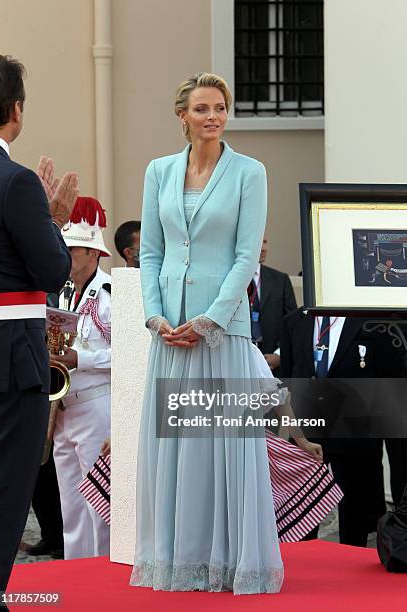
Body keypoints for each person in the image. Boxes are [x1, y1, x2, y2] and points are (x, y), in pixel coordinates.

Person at [129, 72, 329, 595]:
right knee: (178, 448)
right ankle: (179, 560)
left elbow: (247, 258)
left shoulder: (250, 172)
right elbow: (150, 253)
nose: (213, 116)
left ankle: (231, 562)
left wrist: (210, 320)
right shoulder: (158, 172)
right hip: (168, 331)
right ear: (183, 117)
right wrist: (156, 317)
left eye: (220, 107)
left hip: (222, 332)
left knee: (224, 447)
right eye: (202, 109)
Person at [0, 54, 77, 603]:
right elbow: (52, 269)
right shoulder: (15, 181)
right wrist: (53, 219)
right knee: (3, 488)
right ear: (15, 111)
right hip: (6, 354)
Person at [280, 308, 403, 546]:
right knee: (302, 513)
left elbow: (389, 381)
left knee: (354, 517)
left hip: (355, 433)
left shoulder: (370, 320)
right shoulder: (295, 321)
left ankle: (353, 571)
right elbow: (288, 378)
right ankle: (303, 565)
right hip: (308, 431)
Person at [52, 196, 111, 560]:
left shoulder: (110, 294)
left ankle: (101, 578)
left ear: (94, 254)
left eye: (73, 250)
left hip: (96, 406)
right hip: (64, 408)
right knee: (70, 506)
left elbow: (132, 355)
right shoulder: (62, 293)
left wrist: (82, 358)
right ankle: (74, 579)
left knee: (99, 508)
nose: (67, 256)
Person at [248, 235, 297, 372]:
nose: (263, 248)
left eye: (265, 242)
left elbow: (294, 324)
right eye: (258, 241)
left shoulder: (281, 280)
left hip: (272, 368)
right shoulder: (228, 278)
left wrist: (280, 355)